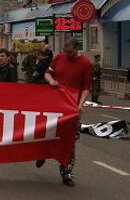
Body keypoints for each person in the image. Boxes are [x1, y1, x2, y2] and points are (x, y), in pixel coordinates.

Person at [36, 38, 93, 187]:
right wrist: (51, 81)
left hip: (71, 105)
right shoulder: (59, 57)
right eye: (65, 51)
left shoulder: (85, 63)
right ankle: (42, 153)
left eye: (70, 52)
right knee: (47, 131)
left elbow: (86, 87)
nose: (67, 55)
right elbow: (48, 73)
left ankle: (66, 172)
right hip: (56, 103)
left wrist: (80, 105)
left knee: (70, 140)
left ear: (76, 49)